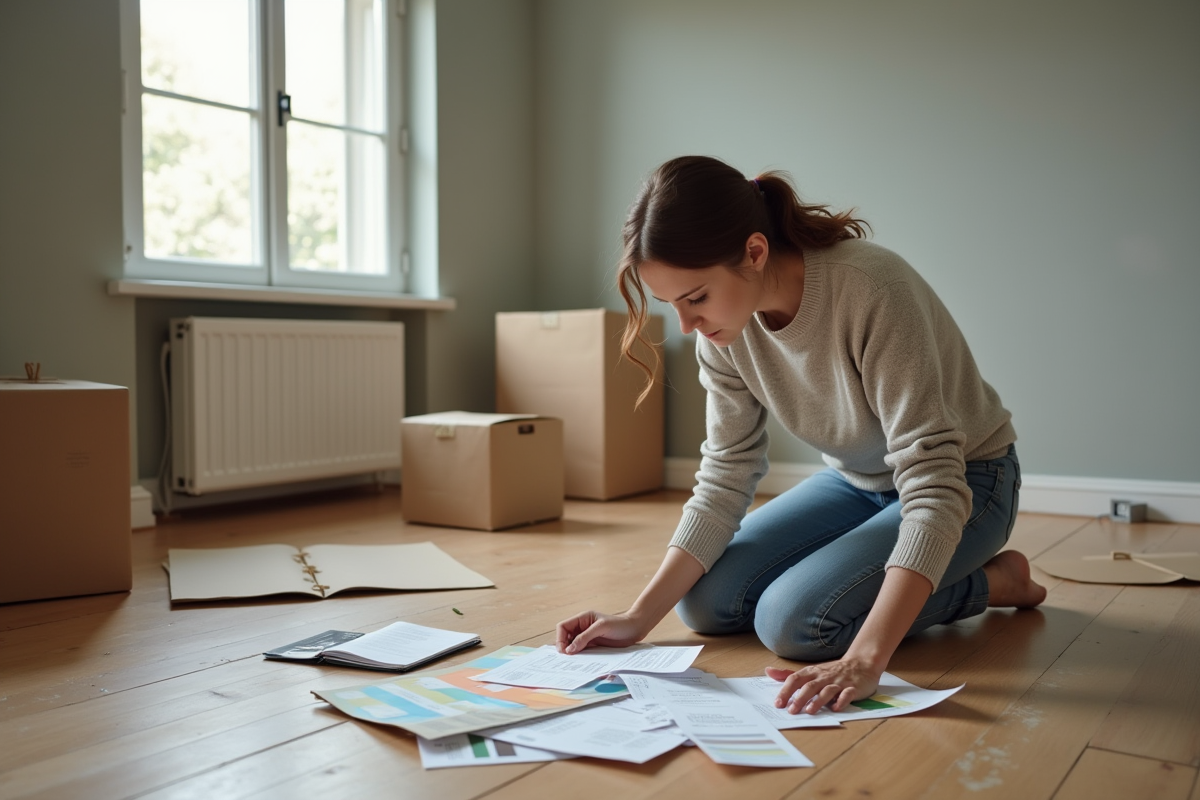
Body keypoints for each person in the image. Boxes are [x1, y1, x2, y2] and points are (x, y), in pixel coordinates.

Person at [555, 155, 1047, 716]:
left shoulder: (872, 289)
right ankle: (927, 576)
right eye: (672, 305)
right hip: (857, 483)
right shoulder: (721, 335)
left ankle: (993, 585)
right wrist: (637, 617)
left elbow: (934, 486)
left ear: (755, 252)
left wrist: (865, 659)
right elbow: (725, 474)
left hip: (969, 482)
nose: (688, 326)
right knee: (706, 604)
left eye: (696, 298)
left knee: (796, 623)